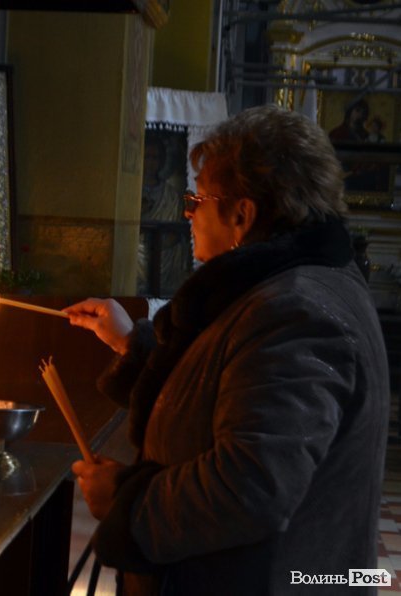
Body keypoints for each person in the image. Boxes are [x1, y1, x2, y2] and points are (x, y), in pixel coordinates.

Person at [65, 105, 389, 595]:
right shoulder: (284, 288)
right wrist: (134, 343)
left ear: (242, 214)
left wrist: (127, 502)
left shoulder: (294, 311)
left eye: (198, 199)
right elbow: (228, 386)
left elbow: (252, 486)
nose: (188, 212)